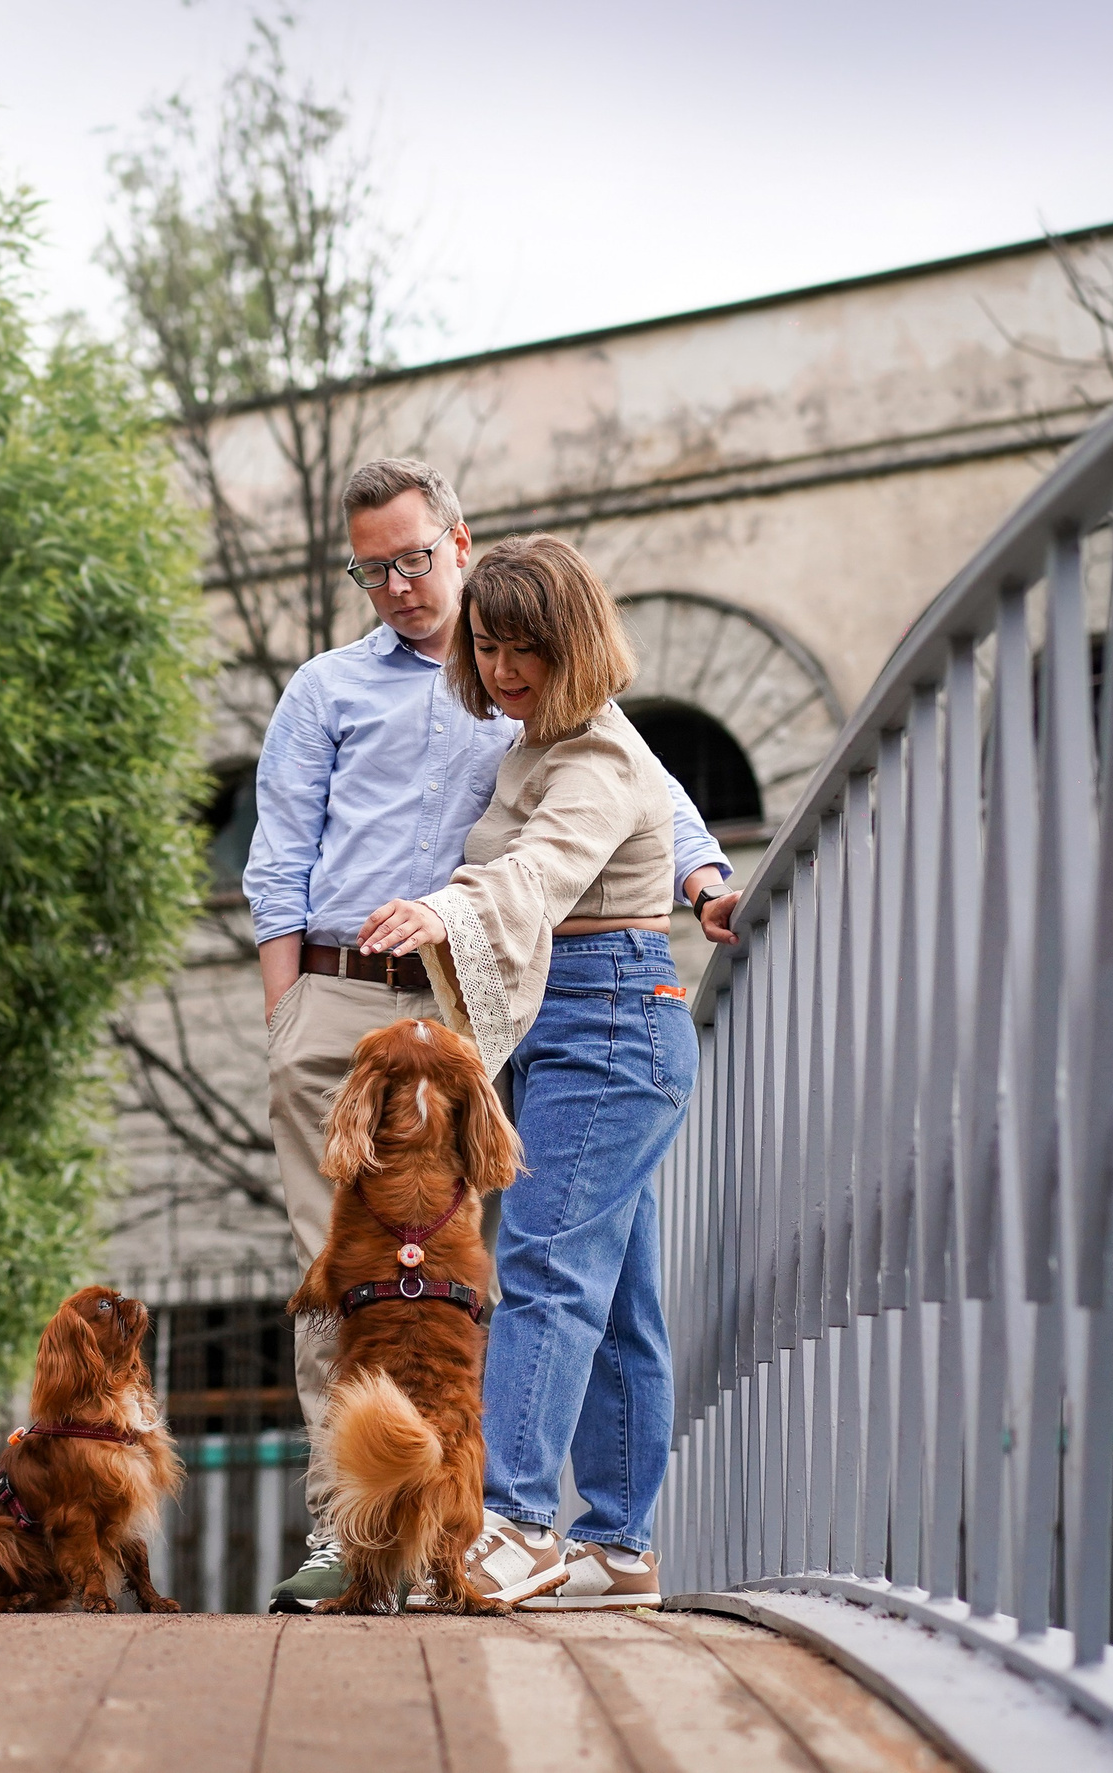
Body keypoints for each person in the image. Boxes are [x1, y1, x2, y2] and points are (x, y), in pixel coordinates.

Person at [358, 533, 742, 1611]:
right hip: (581, 1024)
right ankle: (617, 1546)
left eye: (527, 646)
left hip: (611, 1024)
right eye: (486, 646)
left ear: (574, 643)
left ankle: (518, 1524)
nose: (505, 668)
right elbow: (663, 819)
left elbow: (539, 871)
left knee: (542, 1272)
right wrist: (703, 873)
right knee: (612, 1299)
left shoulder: (596, 756)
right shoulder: (544, 743)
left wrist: (442, 908)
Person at [245, 458, 516, 1612]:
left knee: (466, 1290)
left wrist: (703, 871)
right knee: (340, 1283)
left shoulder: (520, 669)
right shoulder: (324, 689)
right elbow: (277, 853)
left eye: (414, 557)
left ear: (460, 542)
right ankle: (342, 1531)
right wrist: (287, 1013)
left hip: (465, 1014)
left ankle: (459, 1534)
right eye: (373, 569)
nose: (399, 585)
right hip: (338, 1003)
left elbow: (634, 779)